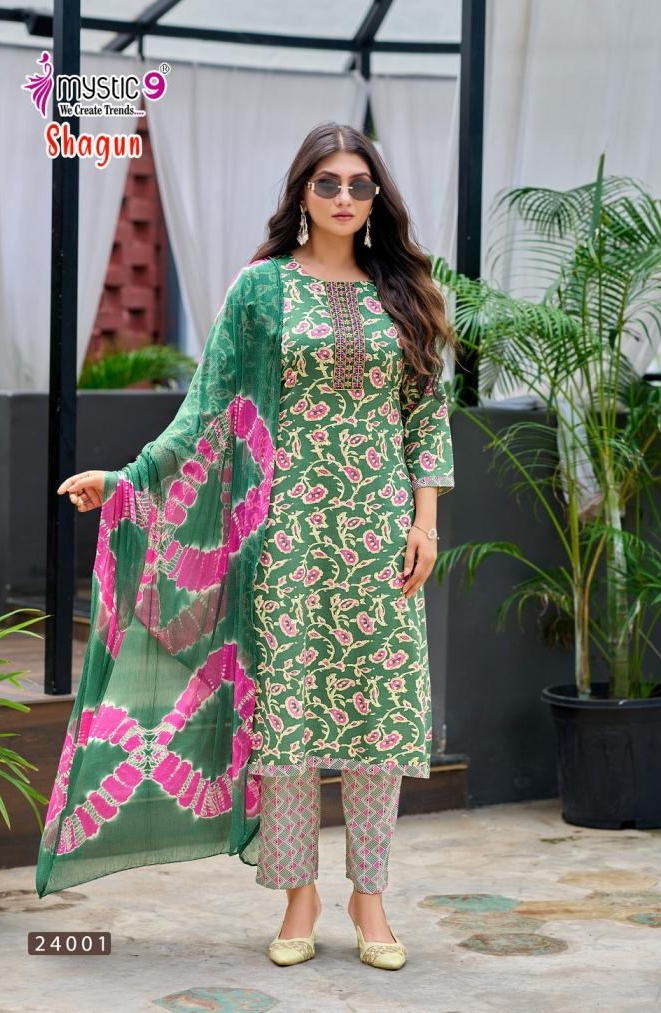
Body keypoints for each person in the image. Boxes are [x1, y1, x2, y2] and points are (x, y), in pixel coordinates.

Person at [37, 121, 457, 971]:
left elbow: (425, 417)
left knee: (376, 716)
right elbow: (204, 409)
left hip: (378, 537)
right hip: (286, 532)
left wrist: (424, 524)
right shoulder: (262, 289)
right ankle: (298, 893)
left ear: (377, 197)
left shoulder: (406, 290)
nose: (344, 197)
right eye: (327, 182)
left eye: (360, 184)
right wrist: (126, 479)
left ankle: (369, 896)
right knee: (287, 717)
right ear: (301, 193)